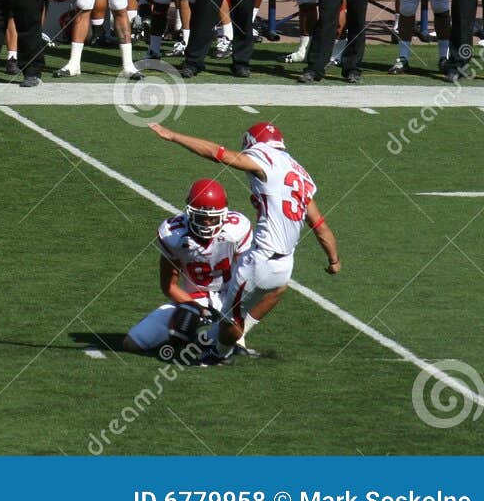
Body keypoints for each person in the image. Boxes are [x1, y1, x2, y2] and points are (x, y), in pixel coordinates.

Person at [148, 121, 340, 363]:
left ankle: (217, 352)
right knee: (276, 290)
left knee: (230, 320)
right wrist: (334, 259)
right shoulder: (298, 173)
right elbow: (319, 225)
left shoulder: (264, 159)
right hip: (285, 264)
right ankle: (226, 338)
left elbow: (218, 154)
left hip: (261, 258)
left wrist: (174, 136)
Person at [118, 176, 251, 360]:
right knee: (132, 343)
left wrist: (231, 311)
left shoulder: (237, 229)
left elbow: (246, 278)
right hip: (191, 300)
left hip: (228, 299)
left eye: (212, 219)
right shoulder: (172, 234)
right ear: (189, 212)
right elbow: (169, 286)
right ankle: (193, 336)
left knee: (233, 351)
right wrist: (195, 309)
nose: (206, 223)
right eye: (201, 217)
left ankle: (217, 337)